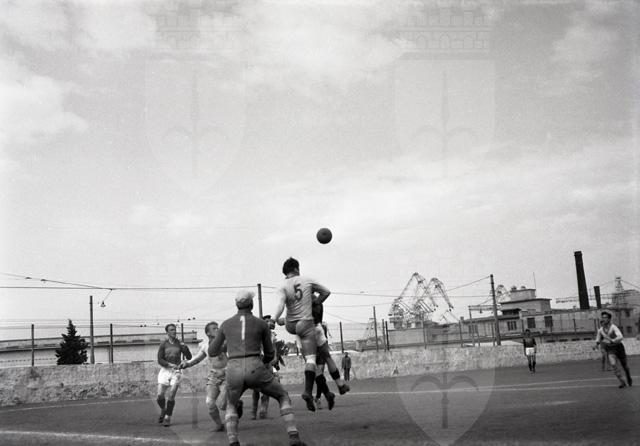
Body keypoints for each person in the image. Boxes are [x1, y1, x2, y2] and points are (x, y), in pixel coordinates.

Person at [209, 290, 306, 446]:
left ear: (236, 305)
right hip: (255, 366)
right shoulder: (261, 324)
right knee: (282, 395)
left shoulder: (226, 324)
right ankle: (294, 437)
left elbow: (212, 351)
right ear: (252, 304)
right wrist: (264, 364)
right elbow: (269, 353)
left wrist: (229, 345)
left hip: (234, 368)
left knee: (231, 404)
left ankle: (233, 441)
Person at [273, 257, 347, 412]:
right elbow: (325, 294)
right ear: (296, 268)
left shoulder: (284, 287)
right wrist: (317, 301)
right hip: (314, 328)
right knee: (323, 358)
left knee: (312, 363)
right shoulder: (311, 291)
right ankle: (333, 387)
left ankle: (322, 392)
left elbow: (282, 306)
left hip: (298, 329)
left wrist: (276, 320)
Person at [180, 321, 242, 432]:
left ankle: (237, 404)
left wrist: (225, 370)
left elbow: (235, 360)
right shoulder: (205, 346)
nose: (217, 329)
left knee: (223, 405)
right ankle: (219, 425)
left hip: (227, 377)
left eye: (218, 328)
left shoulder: (226, 343)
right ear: (208, 333)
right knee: (209, 402)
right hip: (213, 377)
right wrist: (187, 364)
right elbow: (197, 359)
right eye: (214, 328)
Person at [156, 323, 192, 426]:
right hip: (165, 370)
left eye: (175, 329)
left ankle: (168, 417)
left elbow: (189, 357)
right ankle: (164, 409)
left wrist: (184, 347)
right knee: (160, 395)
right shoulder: (163, 344)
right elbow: (160, 359)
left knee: (171, 395)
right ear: (167, 332)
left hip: (176, 371)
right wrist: (168, 364)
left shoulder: (179, 343)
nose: (174, 331)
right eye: (171, 330)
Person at [250, 315, 282, 420]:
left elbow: (274, 347)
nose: (269, 323)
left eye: (269, 321)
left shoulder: (272, 335)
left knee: (267, 387)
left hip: (267, 364)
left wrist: (275, 357)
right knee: (255, 389)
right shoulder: (257, 334)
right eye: (266, 321)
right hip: (257, 363)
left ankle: (263, 410)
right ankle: (253, 410)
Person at [596, 310, 633, 388]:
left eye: (605, 317)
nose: (603, 319)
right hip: (610, 349)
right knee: (613, 364)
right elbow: (598, 338)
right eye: (602, 317)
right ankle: (622, 381)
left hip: (619, 347)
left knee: (625, 366)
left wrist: (613, 340)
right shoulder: (601, 330)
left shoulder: (613, 327)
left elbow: (620, 336)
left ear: (609, 319)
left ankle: (628, 377)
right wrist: (596, 344)